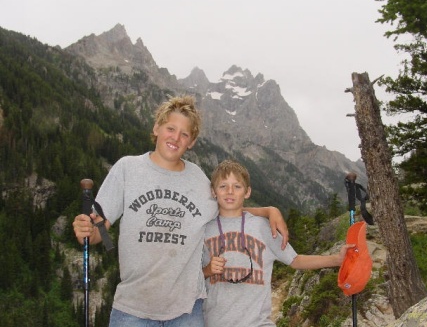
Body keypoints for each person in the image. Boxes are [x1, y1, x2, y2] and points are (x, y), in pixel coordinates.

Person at [72, 95, 289, 327]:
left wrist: (268, 210)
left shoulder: (198, 180)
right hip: (133, 308)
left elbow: (228, 209)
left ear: (191, 142)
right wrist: (87, 231)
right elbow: (100, 230)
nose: (176, 137)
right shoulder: (127, 169)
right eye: (170, 128)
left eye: (184, 134)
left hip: (187, 311)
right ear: (156, 128)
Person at [202, 159, 355, 327]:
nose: (230, 191)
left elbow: (296, 260)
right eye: (223, 186)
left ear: (247, 192)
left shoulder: (264, 227)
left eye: (237, 186)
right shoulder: (203, 230)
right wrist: (207, 271)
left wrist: (336, 260)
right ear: (213, 191)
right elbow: (188, 276)